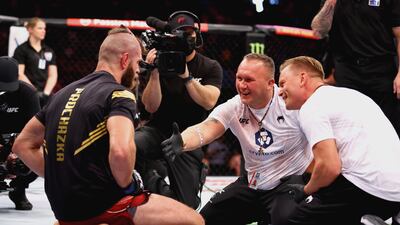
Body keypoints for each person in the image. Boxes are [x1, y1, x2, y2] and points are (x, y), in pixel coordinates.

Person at [11, 26, 204, 225]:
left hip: (63, 210)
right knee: (194, 220)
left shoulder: (60, 95)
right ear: (124, 60)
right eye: (138, 63)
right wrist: (128, 186)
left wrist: (60, 175)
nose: (139, 71)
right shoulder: (119, 94)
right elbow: (120, 152)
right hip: (101, 206)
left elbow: (22, 145)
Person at [161, 53, 313, 225]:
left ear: (270, 83)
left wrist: (307, 180)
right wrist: (182, 141)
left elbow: (322, 145)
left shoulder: (292, 105)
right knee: (202, 220)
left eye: (249, 80)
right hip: (251, 184)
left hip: (287, 187)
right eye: (239, 78)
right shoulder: (235, 106)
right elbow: (208, 127)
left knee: (287, 219)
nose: (242, 85)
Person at [278, 56, 400, 225]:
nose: (279, 91)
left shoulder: (312, 106)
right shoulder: (351, 95)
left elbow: (329, 167)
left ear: (302, 78)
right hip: (394, 192)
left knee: (292, 219)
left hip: (371, 189)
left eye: (283, 83)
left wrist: (305, 191)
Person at [135, 10, 223, 209]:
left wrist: (186, 76)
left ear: (197, 36)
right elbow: (150, 106)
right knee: (130, 144)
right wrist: (154, 73)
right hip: (157, 130)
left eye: (190, 33)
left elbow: (209, 102)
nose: (186, 37)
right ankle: (150, 181)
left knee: (186, 207)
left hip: (188, 138)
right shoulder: (159, 61)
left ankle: (165, 189)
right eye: (181, 33)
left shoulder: (209, 66)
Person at [311, 0, 400, 137]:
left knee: (386, 129)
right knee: (347, 130)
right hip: (347, 72)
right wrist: (330, 3)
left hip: (381, 71)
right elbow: (318, 31)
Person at [0, 56, 40, 210]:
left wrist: (17, 151)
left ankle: (18, 189)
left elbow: (36, 129)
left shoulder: (28, 93)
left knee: (38, 156)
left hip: (19, 140)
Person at [13, 17, 58, 107]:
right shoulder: (21, 50)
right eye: (40, 28)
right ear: (30, 29)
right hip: (26, 92)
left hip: (44, 93)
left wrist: (45, 93)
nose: (43, 31)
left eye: (44, 28)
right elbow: (20, 74)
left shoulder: (48, 50)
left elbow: (53, 75)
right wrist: (34, 92)